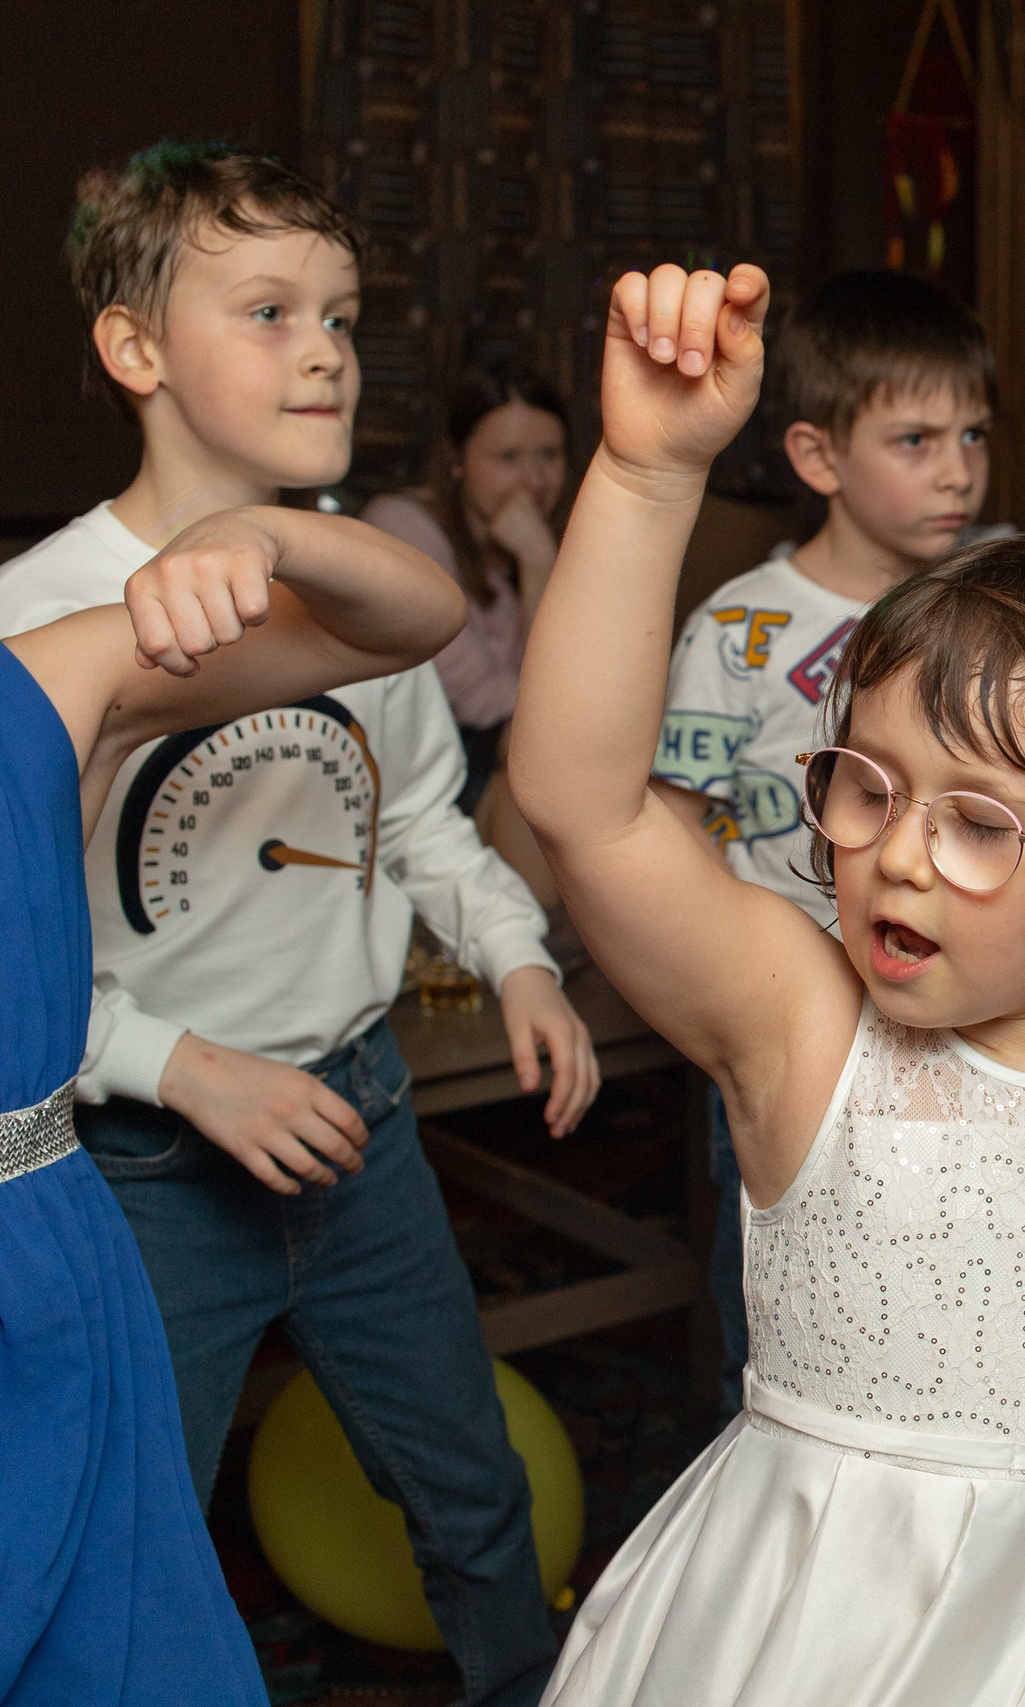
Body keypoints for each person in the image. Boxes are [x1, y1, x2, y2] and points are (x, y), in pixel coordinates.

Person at [514, 261, 1025, 1707]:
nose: (896, 856)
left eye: (974, 823)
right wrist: (649, 474)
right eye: (871, 788)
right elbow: (582, 805)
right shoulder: (804, 1024)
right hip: (800, 1643)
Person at [0, 142, 601, 1707]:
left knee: (473, 1488)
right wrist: (181, 1066)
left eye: (340, 314)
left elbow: (419, 815)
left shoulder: (352, 580)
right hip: (151, 1170)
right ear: (134, 349)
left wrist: (520, 954)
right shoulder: (43, 612)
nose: (325, 348)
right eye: (268, 311)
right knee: (128, 1527)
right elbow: (21, 959)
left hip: (362, 1120)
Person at [4, 510, 465, 1705]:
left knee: (113, 1628)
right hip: (137, 1182)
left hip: (44, 1266)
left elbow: (417, 620)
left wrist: (261, 534)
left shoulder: (43, 682)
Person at [645, 266, 1000, 1413]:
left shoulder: (1000, 605)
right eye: (914, 440)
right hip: (788, 1025)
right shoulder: (742, 629)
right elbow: (675, 830)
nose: (956, 469)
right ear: (817, 456)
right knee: (782, 1299)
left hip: (962, 1012)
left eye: (972, 435)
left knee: (951, 1291)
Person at [362, 365, 572, 897]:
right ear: (457, 461)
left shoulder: (537, 541)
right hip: (407, 775)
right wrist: (540, 563)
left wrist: (536, 561)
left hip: (494, 764)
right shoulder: (403, 527)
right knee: (546, 758)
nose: (534, 480)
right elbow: (491, 707)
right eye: (508, 458)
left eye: (549, 455)